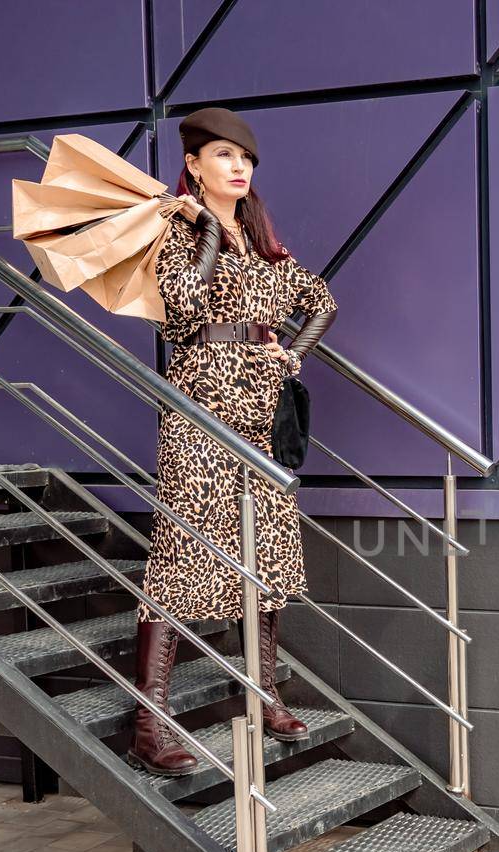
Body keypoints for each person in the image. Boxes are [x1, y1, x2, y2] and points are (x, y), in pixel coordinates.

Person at [127, 106, 338, 776]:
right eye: (222, 155)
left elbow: (323, 300)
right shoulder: (180, 234)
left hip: (261, 415)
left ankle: (265, 690)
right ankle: (149, 720)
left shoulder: (265, 244)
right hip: (199, 410)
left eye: (245, 157)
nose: (238, 166)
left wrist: (291, 354)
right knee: (180, 557)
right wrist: (208, 233)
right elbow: (182, 311)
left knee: (267, 554)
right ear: (192, 164)